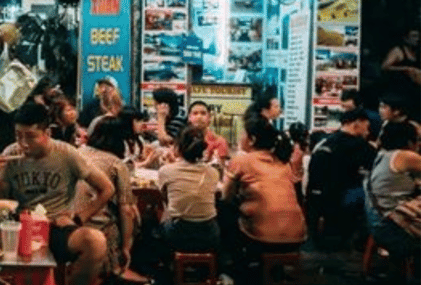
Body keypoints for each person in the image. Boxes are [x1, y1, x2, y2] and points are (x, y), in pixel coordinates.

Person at [0, 102, 114, 285]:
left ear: (47, 133)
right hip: (19, 226)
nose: (23, 144)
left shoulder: (66, 154)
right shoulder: (11, 154)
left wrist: (78, 218)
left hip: (56, 227)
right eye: (18, 136)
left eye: (30, 137)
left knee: (96, 242)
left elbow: (106, 188)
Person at [221, 120, 306, 255]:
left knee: (225, 213)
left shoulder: (241, 161)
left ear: (252, 139)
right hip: (298, 237)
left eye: (243, 133)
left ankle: (234, 268)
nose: (240, 137)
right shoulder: (283, 161)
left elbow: (226, 197)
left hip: (262, 239)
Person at [75, 116, 139, 280]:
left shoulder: (75, 153)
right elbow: (126, 210)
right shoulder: (116, 164)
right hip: (98, 228)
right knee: (134, 215)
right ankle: (118, 266)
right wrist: (126, 247)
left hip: (69, 222)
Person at [306, 108, 375, 249]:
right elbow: (376, 167)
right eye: (366, 127)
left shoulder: (324, 141)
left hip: (314, 200)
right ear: (356, 124)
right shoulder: (360, 146)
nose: (367, 132)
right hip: (340, 200)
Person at [158, 127, 221, 253]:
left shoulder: (166, 171)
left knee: (156, 221)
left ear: (177, 148)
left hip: (178, 235)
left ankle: (165, 265)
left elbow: (165, 199)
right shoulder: (213, 172)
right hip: (209, 235)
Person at [364, 121, 421, 259]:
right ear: (409, 141)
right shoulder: (405, 156)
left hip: (378, 225)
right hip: (395, 229)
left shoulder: (382, 155)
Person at [381, 24, 421, 119]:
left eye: (418, 36)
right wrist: (405, 69)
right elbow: (385, 67)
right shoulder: (398, 51)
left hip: (412, 93)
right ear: (406, 38)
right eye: (414, 36)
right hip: (398, 92)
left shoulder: (417, 53)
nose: (417, 39)